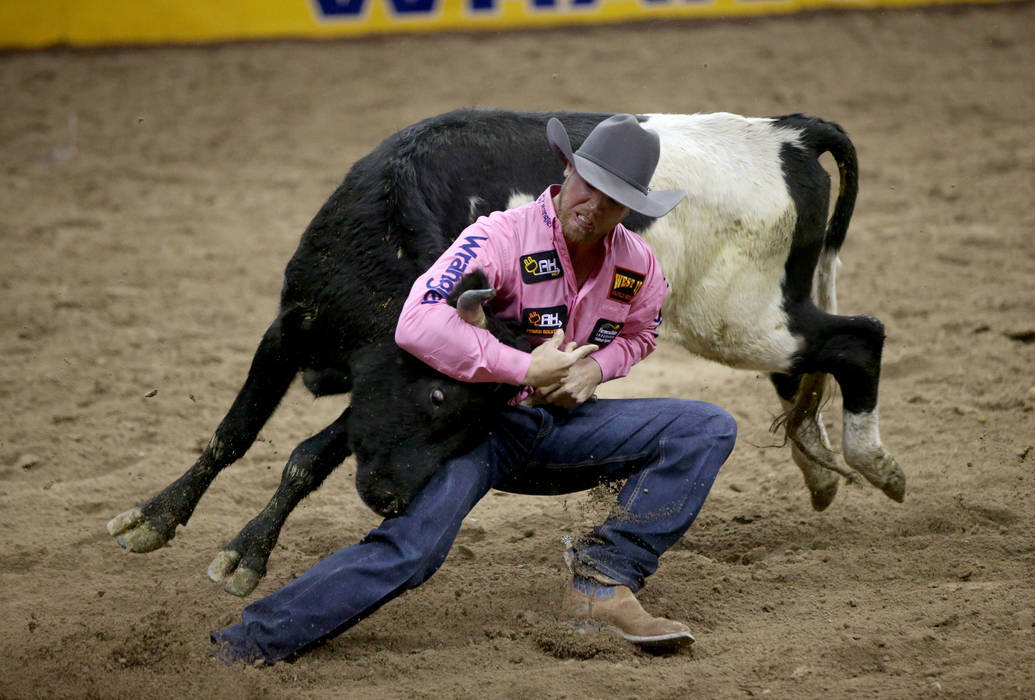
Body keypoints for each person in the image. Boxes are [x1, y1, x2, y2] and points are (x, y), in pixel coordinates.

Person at [211, 113, 737, 664]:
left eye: (614, 199)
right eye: (590, 187)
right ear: (567, 172)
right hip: (476, 429)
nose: (596, 207)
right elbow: (415, 322)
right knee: (412, 552)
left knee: (706, 427)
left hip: (565, 430)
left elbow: (641, 332)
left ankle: (602, 582)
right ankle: (249, 641)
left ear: (631, 207)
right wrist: (521, 368)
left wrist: (596, 370)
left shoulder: (638, 262)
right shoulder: (497, 235)